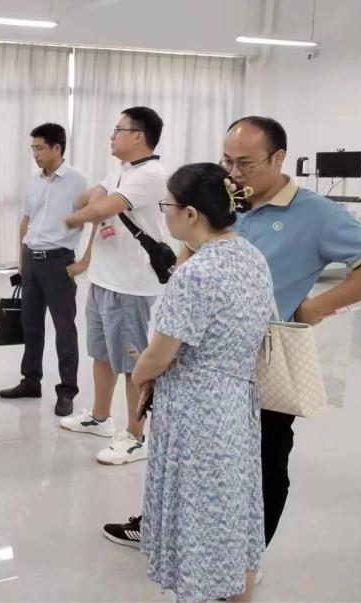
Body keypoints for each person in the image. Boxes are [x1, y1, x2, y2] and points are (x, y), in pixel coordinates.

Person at [104, 116, 361, 551]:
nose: (234, 172)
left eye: (245, 163)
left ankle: (246, 556)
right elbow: (192, 248)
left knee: (263, 459)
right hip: (198, 359)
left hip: (261, 359)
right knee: (190, 456)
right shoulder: (226, 200)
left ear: (278, 158)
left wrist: (315, 307)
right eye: (228, 161)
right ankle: (164, 528)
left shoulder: (315, 214)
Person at [134, 163, 272, 603]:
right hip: (236, 401)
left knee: (195, 513)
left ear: (191, 214)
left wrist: (139, 375)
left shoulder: (196, 274)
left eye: (168, 205)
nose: (166, 214)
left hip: (196, 410)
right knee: (233, 510)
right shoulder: (251, 256)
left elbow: (160, 354)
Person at [59, 107, 169, 465]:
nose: (112, 135)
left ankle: (136, 436)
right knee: (102, 354)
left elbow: (98, 207)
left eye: (118, 129)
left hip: (130, 285)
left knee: (134, 365)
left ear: (138, 136)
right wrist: (93, 206)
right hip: (103, 278)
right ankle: (100, 418)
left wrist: (76, 217)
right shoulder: (124, 169)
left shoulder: (151, 175)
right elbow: (90, 198)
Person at [0, 123, 88, 417]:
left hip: (59, 262)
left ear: (57, 149)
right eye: (33, 148)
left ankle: (67, 390)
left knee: (64, 329)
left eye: (40, 148)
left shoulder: (77, 181)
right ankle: (30, 381)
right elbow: (26, 221)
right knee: (31, 325)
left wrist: (84, 262)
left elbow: (97, 219)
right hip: (31, 260)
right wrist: (21, 260)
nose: (35, 154)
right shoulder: (33, 181)